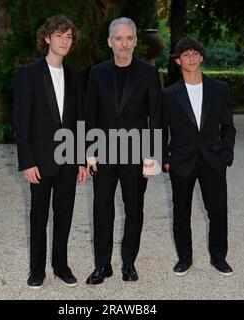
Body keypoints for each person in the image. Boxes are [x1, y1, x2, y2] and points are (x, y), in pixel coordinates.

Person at [84, 17, 162, 285]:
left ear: (136, 41)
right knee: (102, 211)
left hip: (136, 156)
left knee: (134, 211)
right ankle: (102, 266)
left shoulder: (149, 73)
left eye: (129, 38)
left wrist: (153, 156)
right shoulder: (97, 72)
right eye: (119, 38)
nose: (124, 44)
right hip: (103, 155)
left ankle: (129, 263)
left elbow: (156, 117)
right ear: (110, 42)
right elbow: (90, 114)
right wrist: (89, 152)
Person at [13, 15, 86, 289]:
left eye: (69, 37)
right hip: (40, 160)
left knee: (64, 215)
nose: (65, 41)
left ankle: (61, 265)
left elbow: (80, 121)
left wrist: (81, 160)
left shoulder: (75, 76)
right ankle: (37, 270)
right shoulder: (29, 74)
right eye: (59, 35)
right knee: (39, 217)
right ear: (47, 38)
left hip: (68, 159)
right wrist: (27, 161)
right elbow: (21, 121)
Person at [162, 37, 236, 276]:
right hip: (181, 161)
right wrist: (164, 158)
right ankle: (185, 258)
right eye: (185, 54)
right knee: (181, 212)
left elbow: (228, 126)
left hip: (213, 160)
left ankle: (218, 257)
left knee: (218, 210)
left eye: (195, 53)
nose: (191, 58)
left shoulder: (219, 89)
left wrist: (227, 153)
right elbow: (161, 130)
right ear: (177, 60)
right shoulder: (169, 94)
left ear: (201, 56)